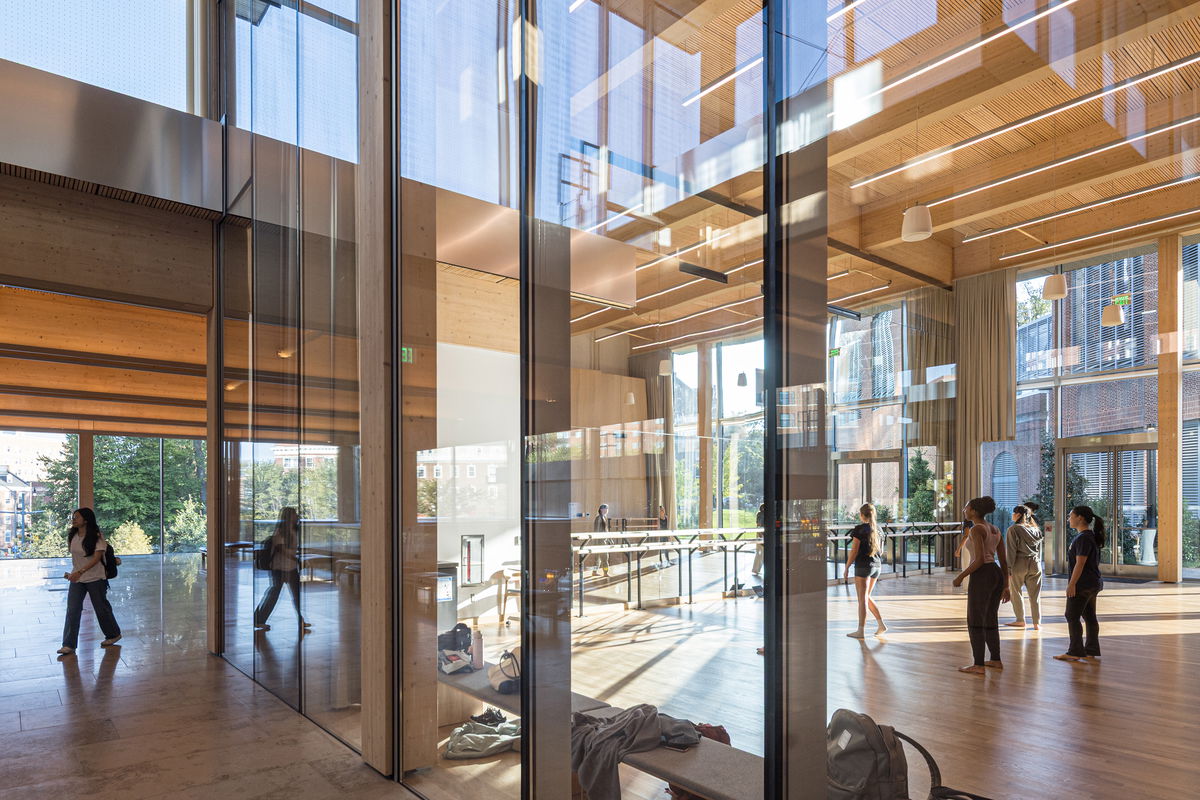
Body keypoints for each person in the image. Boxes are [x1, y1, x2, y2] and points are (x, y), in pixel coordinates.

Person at [952, 496, 1010, 674]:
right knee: (991, 618)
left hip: (983, 574)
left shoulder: (977, 529)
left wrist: (960, 577)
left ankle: (978, 664)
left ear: (974, 511)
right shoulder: (995, 529)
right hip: (995, 573)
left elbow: (978, 560)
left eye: (966, 508)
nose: (964, 510)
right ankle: (995, 659)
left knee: (975, 620)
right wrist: (1006, 585)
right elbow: (1003, 561)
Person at [58, 508, 122, 655]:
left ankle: (113, 634)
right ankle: (68, 645)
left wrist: (80, 571)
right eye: (73, 517)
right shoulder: (73, 536)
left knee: (101, 608)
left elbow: (96, 558)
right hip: (78, 578)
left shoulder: (96, 536)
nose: (73, 519)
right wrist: (74, 573)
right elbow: (76, 557)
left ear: (86, 520)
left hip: (95, 577)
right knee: (73, 609)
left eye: (77, 517)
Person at [1054, 505, 1105, 663]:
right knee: (1089, 616)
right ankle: (1091, 650)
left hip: (1083, 584)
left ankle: (1075, 651)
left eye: (1071, 516)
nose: (1069, 519)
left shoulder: (1083, 538)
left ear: (1080, 518)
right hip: (1093, 582)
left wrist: (1071, 584)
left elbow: (1080, 563)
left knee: (1071, 615)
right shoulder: (1089, 536)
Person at [254, 507, 311, 631]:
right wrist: (296, 559)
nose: (297, 515)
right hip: (280, 568)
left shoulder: (294, 529)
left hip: (290, 567)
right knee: (274, 594)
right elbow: (281, 549)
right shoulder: (281, 530)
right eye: (294, 514)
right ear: (289, 516)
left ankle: (301, 621)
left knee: (293, 595)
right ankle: (258, 620)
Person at [844, 503, 887, 638]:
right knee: (866, 597)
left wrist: (846, 567)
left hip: (863, 566)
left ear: (862, 515)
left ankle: (860, 631)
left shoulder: (859, 529)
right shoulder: (879, 529)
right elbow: (882, 551)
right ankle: (881, 625)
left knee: (862, 600)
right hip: (876, 566)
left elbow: (854, 550)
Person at [1004, 504, 1044, 629]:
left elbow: (1011, 550)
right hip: (1035, 563)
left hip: (1019, 564)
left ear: (1018, 515)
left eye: (1013, 512)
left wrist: (1008, 569)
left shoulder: (1013, 529)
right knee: (1035, 595)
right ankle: (1037, 623)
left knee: (1016, 592)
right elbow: (1039, 551)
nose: (1012, 515)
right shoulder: (1036, 529)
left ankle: (1020, 620)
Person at [592, 504, 612, 577]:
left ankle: (594, 571)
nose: (606, 510)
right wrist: (596, 543)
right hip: (600, 542)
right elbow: (596, 531)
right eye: (605, 509)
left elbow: (606, 530)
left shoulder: (604, 517)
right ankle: (605, 572)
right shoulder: (599, 518)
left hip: (603, 540)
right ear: (601, 510)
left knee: (598, 558)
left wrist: (610, 539)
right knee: (604, 558)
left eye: (607, 509)